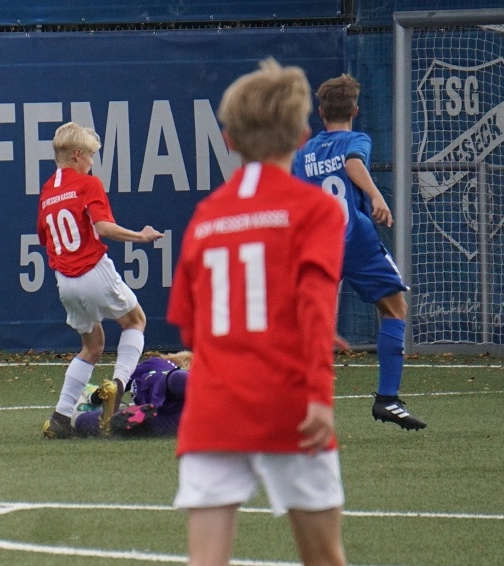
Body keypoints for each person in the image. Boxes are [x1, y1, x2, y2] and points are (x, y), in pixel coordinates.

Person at [167, 58, 347, 565]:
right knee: (325, 558)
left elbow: (189, 326)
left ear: (228, 140)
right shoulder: (315, 210)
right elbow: (316, 308)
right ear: (303, 136)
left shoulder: (205, 217)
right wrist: (319, 394)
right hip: (288, 402)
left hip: (213, 407)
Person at [292, 74, 426, 430]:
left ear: (321, 112)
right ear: (354, 110)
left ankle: (298, 401)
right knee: (394, 309)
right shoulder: (356, 139)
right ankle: (387, 399)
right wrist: (377, 195)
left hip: (317, 242)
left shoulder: (304, 153)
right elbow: (353, 163)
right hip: (355, 239)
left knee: (312, 323)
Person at [37, 122, 164, 439]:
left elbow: (45, 236)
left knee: (92, 346)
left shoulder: (48, 191)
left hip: (65, 281)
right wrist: (141, 236)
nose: (92, 162)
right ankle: (118, 387)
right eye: (90, 156)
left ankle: (60, 417)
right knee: (135, 321)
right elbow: (104, 227)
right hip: (93, 270)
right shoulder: (87, 184)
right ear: (77, 154)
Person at [72, 352, 190, 438]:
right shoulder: (158, 364)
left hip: (169, 394)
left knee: (176, 379)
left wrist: (93, 398)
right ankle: (76, 419)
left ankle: (75, 418)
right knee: (114, 423)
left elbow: (116, 386)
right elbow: (117, 387)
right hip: (170, 418)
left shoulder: (160, 363)